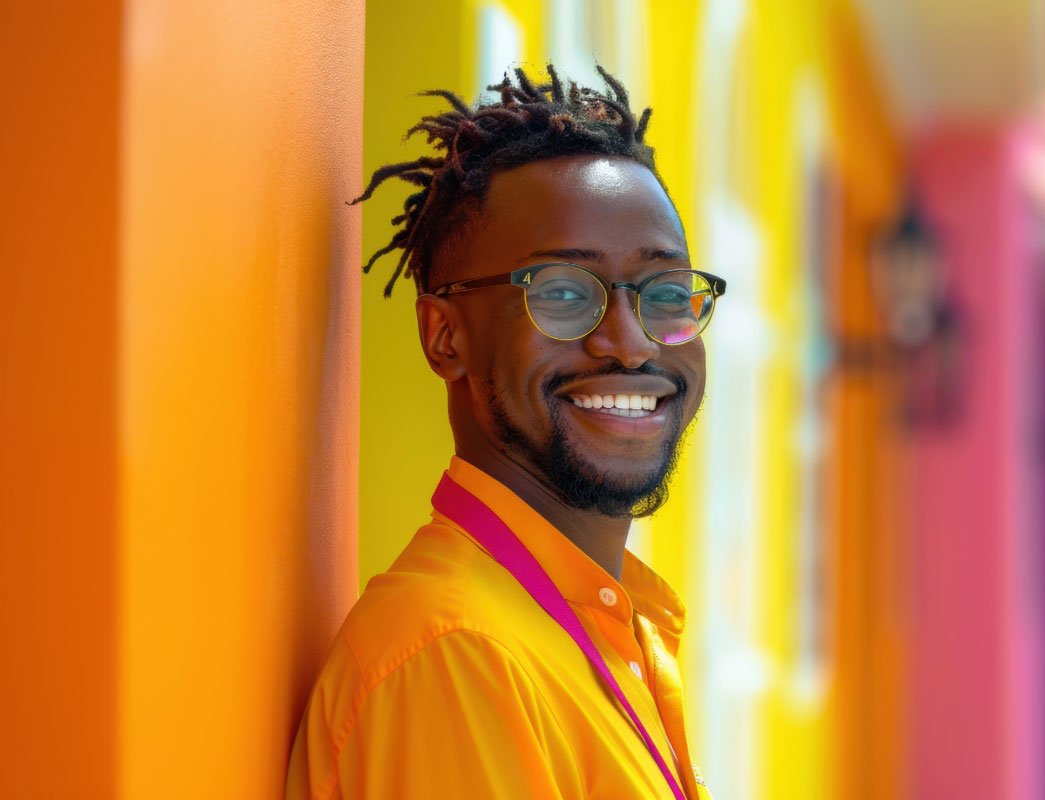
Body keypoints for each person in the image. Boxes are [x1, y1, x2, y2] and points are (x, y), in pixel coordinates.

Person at [286, 64, 722, 800]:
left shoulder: (600, 627)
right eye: (561, 293)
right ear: (445, 335)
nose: (630, 341)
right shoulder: (458, 659)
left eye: (666, 292)